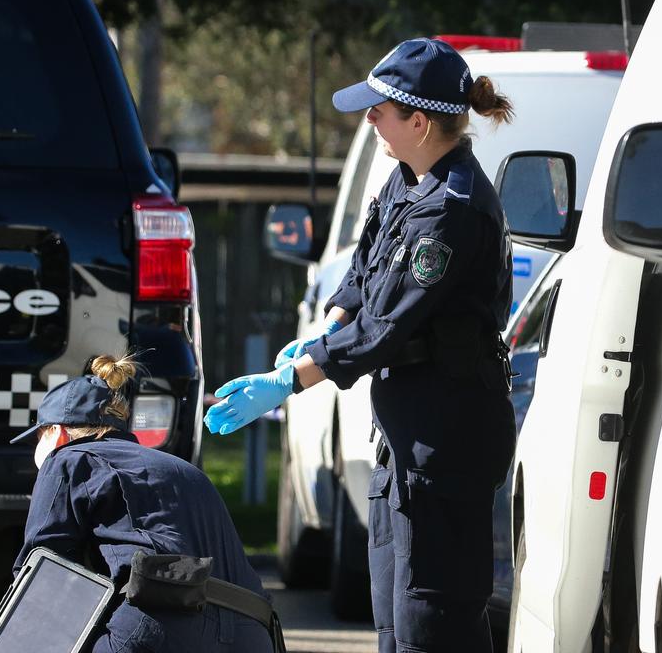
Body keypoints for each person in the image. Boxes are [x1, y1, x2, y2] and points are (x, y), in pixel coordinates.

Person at [208, 37, 517, 653]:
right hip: (406, 437)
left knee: (435, 624)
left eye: (381, 109)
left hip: (447, 438)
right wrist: (325, 329)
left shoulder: (450, 210)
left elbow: (387, 326)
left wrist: (294, 377)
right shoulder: (409, 182)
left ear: (421, 121)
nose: (369, 119)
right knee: (393, 619)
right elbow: (364, 273)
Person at [8, 353, 274, 653]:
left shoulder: (68, 458)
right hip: (252, 633)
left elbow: (40, 575)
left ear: (56, 432)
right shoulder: (181, 468)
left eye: (38, 437)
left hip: (164, 625)